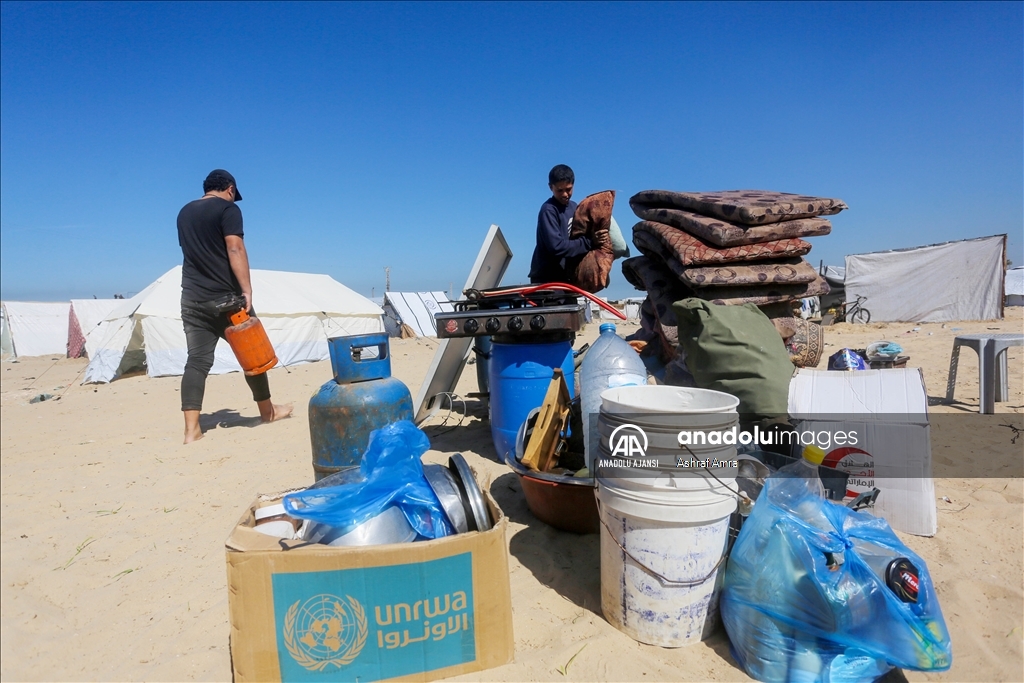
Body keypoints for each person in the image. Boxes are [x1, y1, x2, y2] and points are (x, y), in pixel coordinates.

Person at [177, 169, 291, 443]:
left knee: (197, 362)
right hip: (227, 300)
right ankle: (268, 412)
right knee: (253, 356)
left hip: (192, 299)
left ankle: (192, 430)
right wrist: (247, 290)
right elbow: (235, 248)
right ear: (230, 188)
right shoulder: (228, 210)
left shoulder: (184, 212)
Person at [529, 164, 606, 284]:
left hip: (568, 278)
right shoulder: (549, 210)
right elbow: (557, 247)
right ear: (551, 187)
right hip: (548, 280)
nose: (565, 194)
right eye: (560, 190)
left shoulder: (575, 208)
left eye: (568, 189)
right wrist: (590, 242)